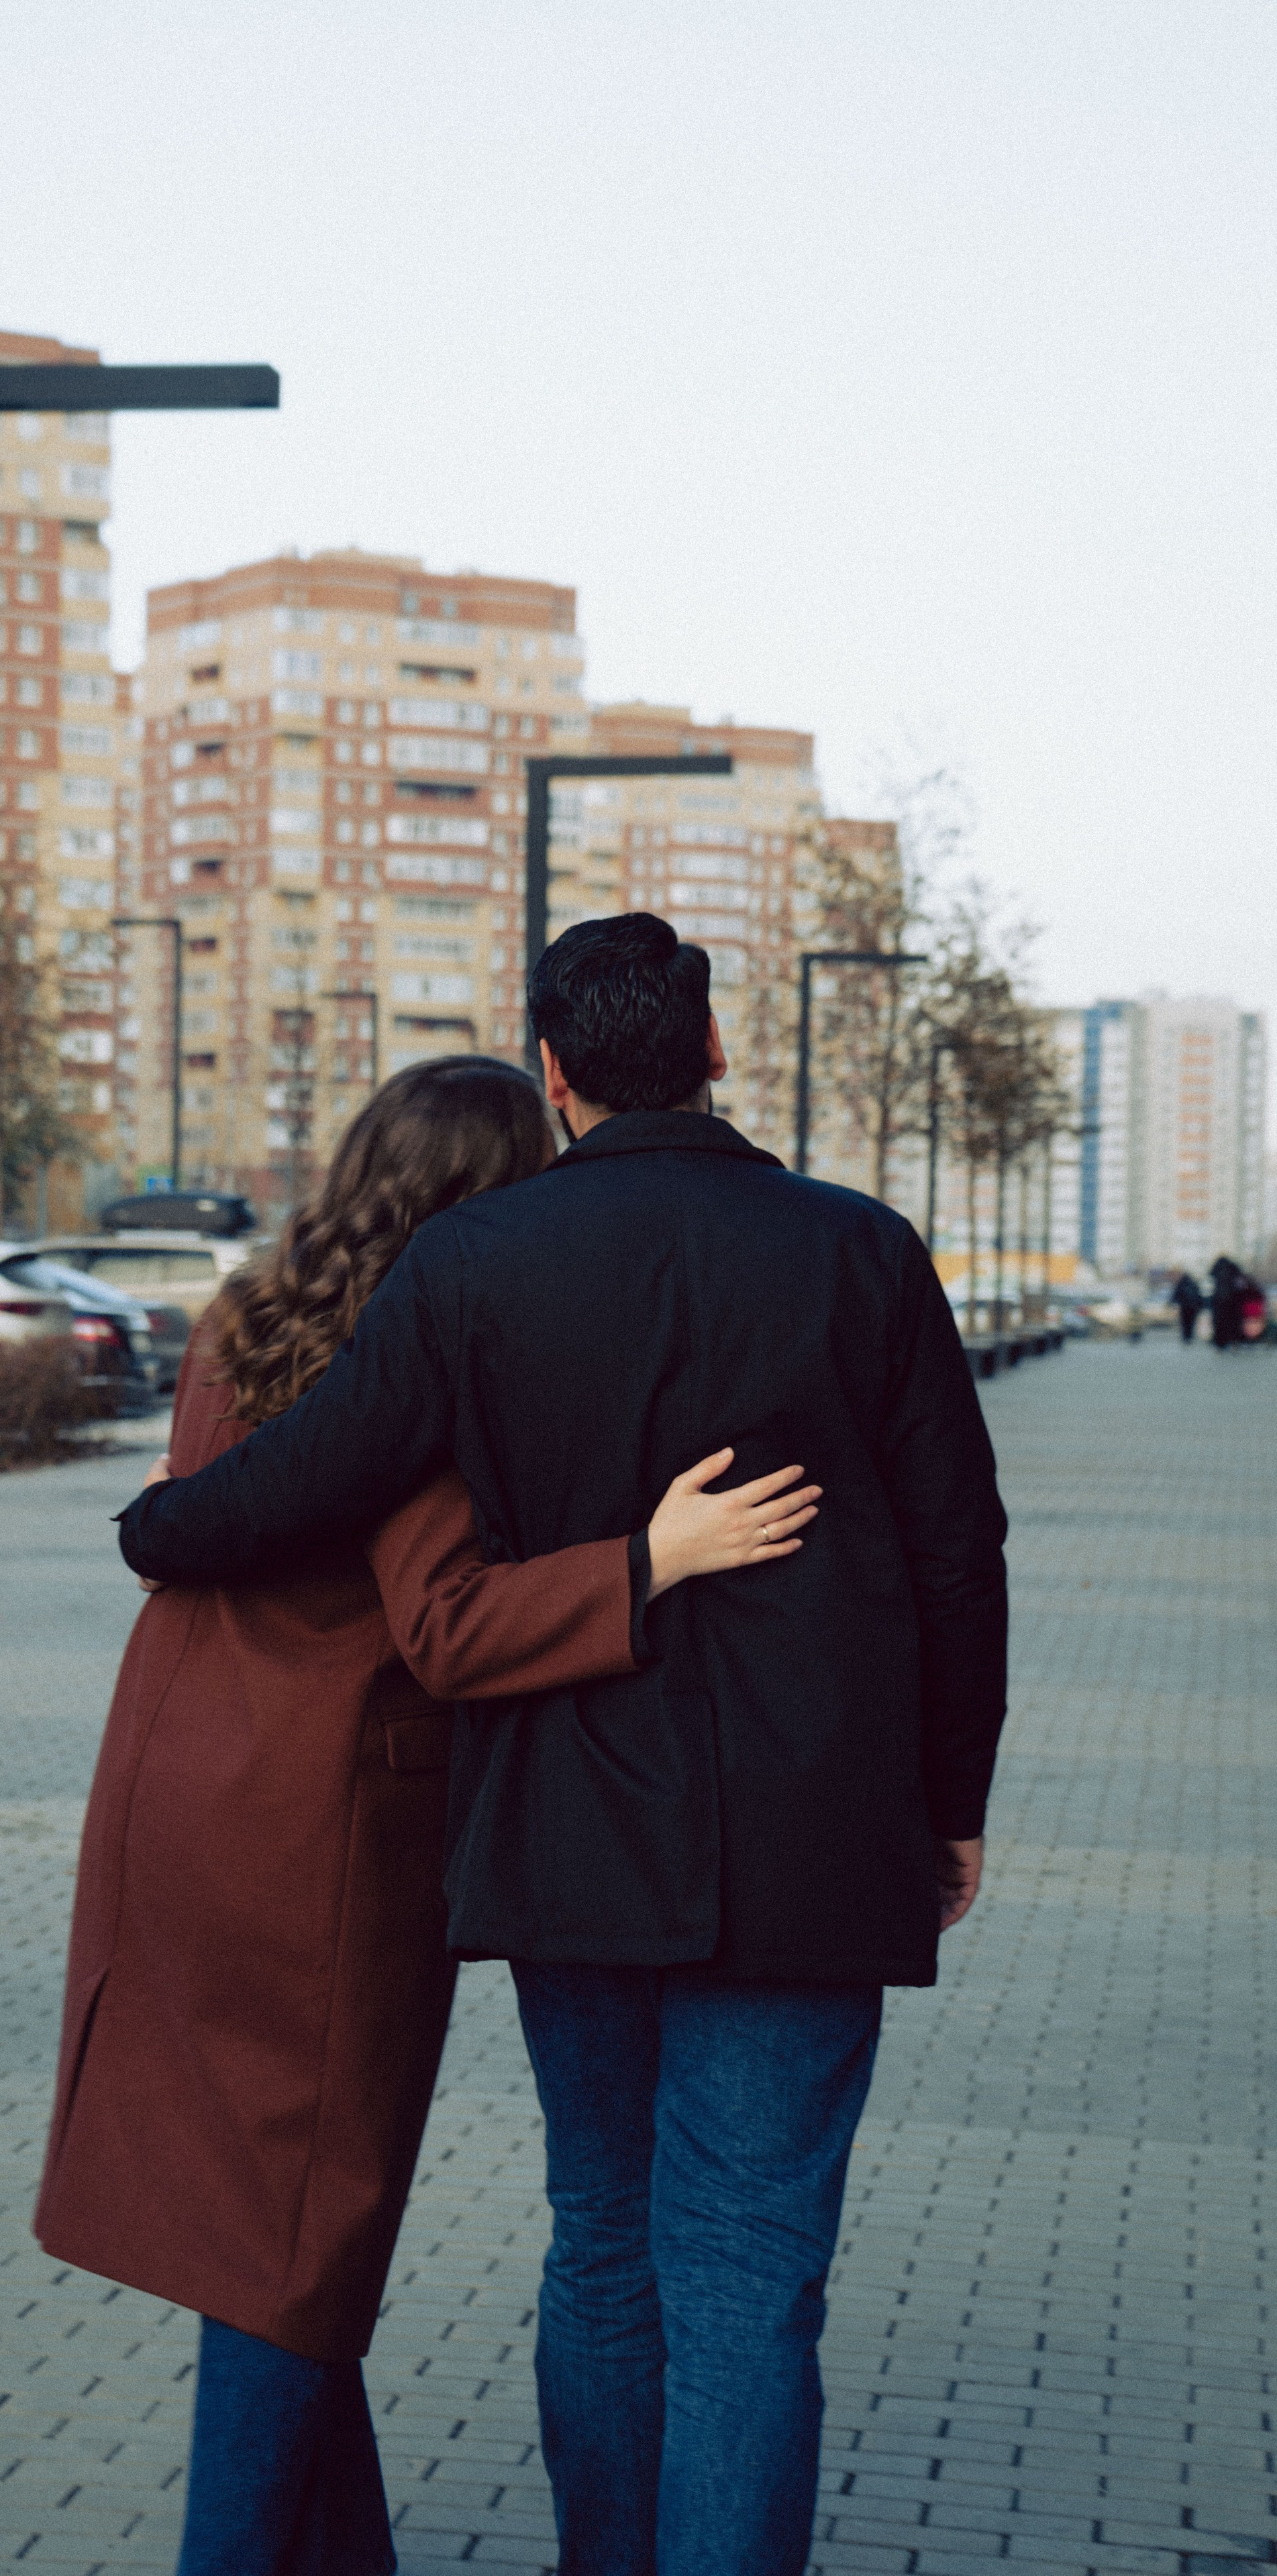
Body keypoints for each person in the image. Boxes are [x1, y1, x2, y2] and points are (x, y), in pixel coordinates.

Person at [118, 915, 1009, 2576]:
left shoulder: (474, 1264)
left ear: (553, 1068)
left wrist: (163, 1522)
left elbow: (317, 1468)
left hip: (571, 1825)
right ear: (718, 1050)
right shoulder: (862, 1252)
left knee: (602, 2238)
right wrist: (943, 1801)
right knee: (747, 2271)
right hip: (817, 1834)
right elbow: (961, 1550)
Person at [35, 1053, 821, 2576]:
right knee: (292, 2243)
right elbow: (448, 1624)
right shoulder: (425, 1360)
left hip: (173, 1797)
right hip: (315, 1841)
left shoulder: (243, 1317)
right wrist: (648, 1557)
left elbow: (199, 1518)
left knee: (246, 2222)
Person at [1210, 1252, 1247, 1348]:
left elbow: (1211, 1276)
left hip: (1219, 1299)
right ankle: (1232, 1341)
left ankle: (1220, 1343)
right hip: (1232, 1300)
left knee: (1219, 1322)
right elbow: (1241, 1284)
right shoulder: (1233, 1268)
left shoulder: (1217, 1268)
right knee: (1231, 1322)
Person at [1170, 1271, 1203, 1342]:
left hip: (1184, 1307)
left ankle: (1186, 1337)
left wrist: (1172, 1302)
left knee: (1185, 1322)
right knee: (1191, 1322)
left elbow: (1176, 1294)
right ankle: (1190, 1336)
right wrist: (1200, 1306)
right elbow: (1199, 1296)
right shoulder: (1194, 1284)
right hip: (1193, 1307)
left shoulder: (1181, 1284)